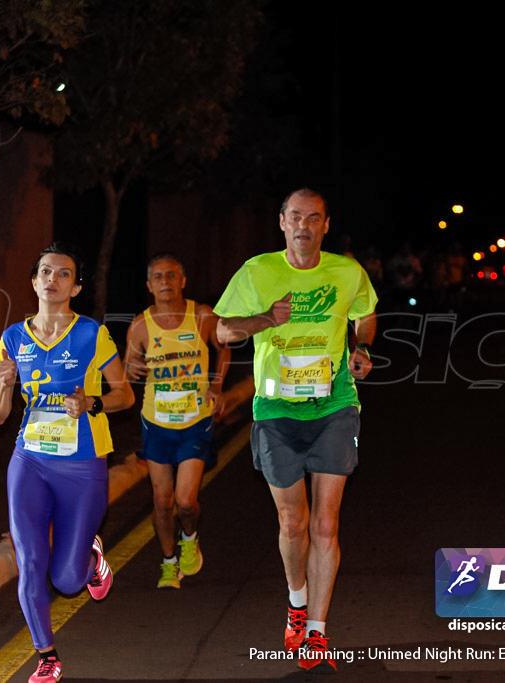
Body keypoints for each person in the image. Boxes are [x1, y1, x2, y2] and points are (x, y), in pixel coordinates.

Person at [214, 188, 377, 673]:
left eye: (314, 218)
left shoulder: (347, 271)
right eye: (295, 217)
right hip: (276, 411)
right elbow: (222, 331)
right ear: (281, 222)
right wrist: (265, 318)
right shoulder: (258, 271)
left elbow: (364, 314)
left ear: (326, 225)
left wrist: (361, 349)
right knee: (293, 523)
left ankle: (318, 633)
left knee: (326, 523)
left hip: (335, 406)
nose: (304, 225)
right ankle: (296, 601)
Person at [0, 243, 134, 683]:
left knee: (68, 581)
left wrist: (91, 403)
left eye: (64, 274)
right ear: (34, 282)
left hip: (82, 463)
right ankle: (46, 656)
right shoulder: (12, 338)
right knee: (30, 560)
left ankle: (90, 561)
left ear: (76, 286)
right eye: (45, 272)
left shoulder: (93, 333)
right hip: (29, 460)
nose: (53, 279)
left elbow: (125, 395)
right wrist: (2, 385)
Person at [124, 254, 231, 589]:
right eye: (157, 276)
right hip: (156, 421)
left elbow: (223, 348)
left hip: (195, 419)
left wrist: (216, 385)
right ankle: (169, 561)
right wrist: (131, 369)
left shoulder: (202, 315)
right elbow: (129, 366)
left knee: (186, 501)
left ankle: (190, 535)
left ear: (183, 281)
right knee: (162, 500)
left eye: (172, 275)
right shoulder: (140, 325)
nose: (165, 281)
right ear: (149, 285)